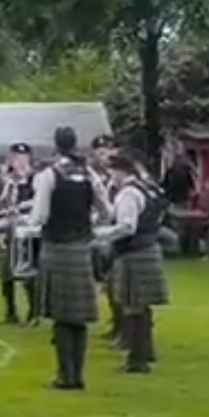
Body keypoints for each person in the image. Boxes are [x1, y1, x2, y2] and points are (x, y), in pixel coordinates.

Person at [23, 127, 111, 390]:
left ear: (56, 144)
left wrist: (28, 225)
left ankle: (65, 376)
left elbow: (40, 215)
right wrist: (89, 224)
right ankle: (78, 375)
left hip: (57, 246)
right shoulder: (89, 173)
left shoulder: (50, 174)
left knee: (62, 316)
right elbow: (106, 211)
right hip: (81, 247)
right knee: (78, 317)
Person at [94, 153, 169, 374]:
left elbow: (127, 226)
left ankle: (137, 360)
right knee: (141, 305)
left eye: (111, 172)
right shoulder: (146, 188)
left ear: (120, 171)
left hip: (134, 252)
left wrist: (100, 235)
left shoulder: (128, 193)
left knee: (132, 306)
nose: (111, 177)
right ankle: (146, 352)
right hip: (148, 249)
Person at [0, 142, 39, 325]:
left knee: (27, 273)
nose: (20, 161)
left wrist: (20, 207)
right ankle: (10, 311)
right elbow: (4, 203)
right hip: (12, 230)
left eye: (23, 158)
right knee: (6, 273)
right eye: (16, 158)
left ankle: (34, 312)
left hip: (28, 231)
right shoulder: (9, 182)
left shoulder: (35, 179)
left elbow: (39, 201)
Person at [90, 134, 122, 346]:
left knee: (117, 283)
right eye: (100, 153)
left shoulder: (120, 176)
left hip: (117, 232)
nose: (105, 156)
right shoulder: (94, 177)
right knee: (108, 283)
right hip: (101, 232)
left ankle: (122, 326)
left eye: (108, 152)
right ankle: (117, 322)